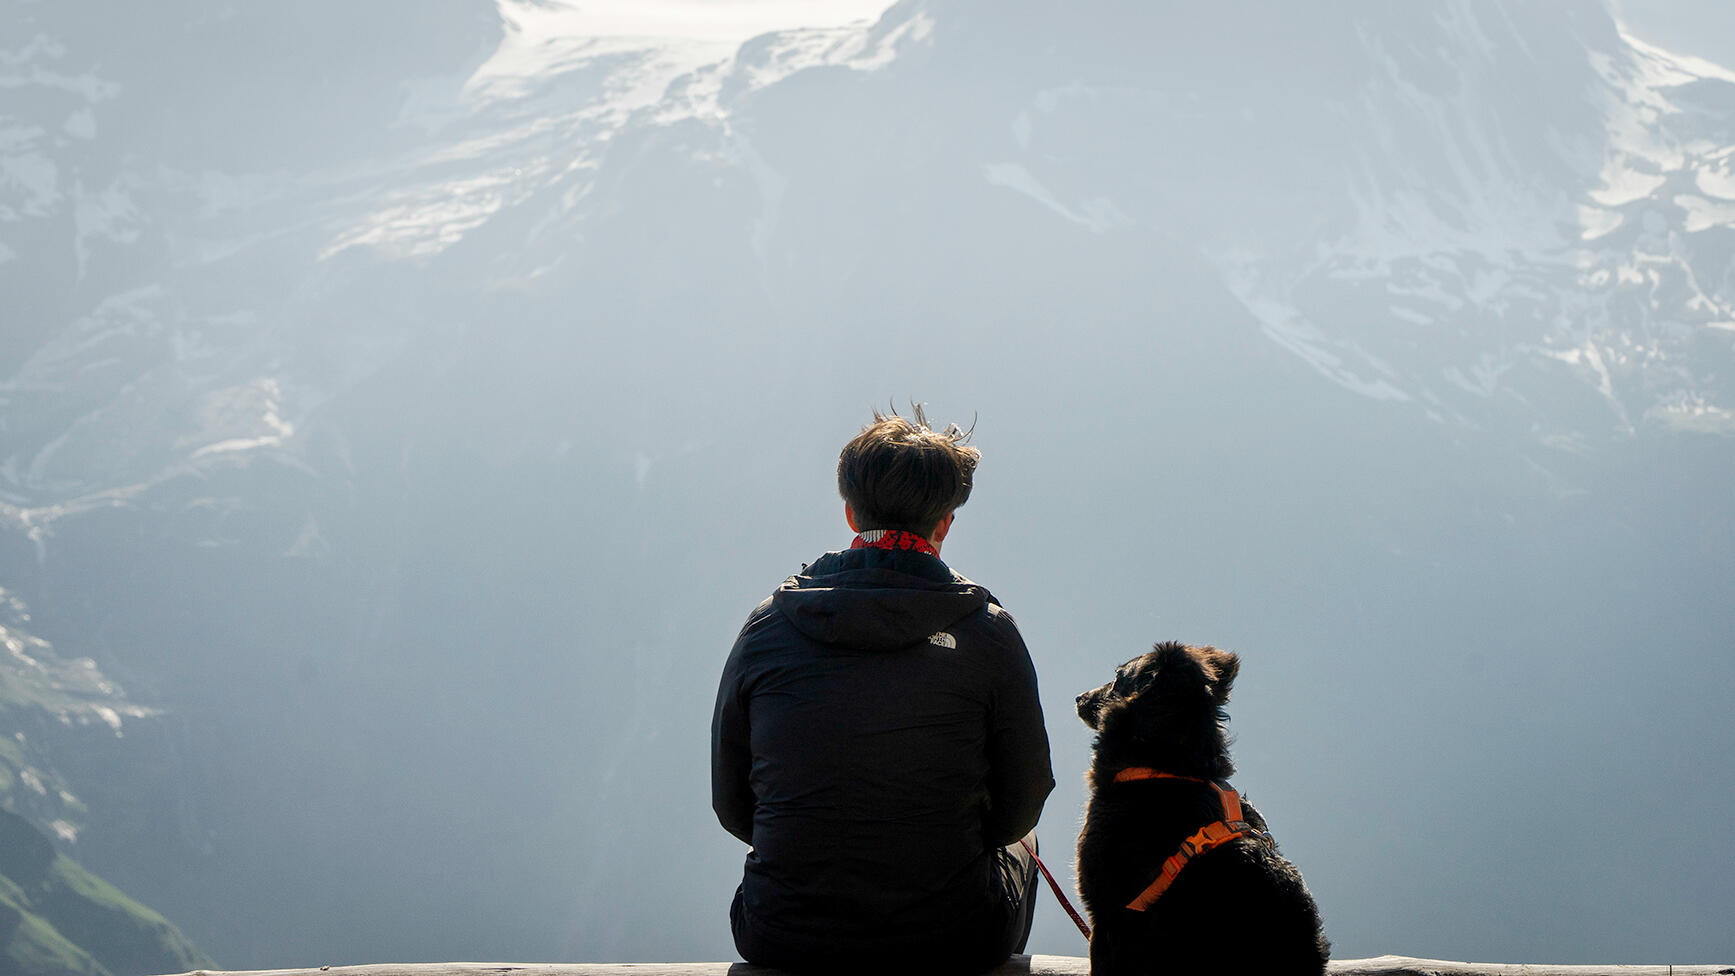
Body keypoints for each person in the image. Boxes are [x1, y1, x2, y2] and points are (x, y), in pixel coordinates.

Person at [711, 408, 1054, 973]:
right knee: (1027, 842)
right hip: (955, 935)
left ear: (850, 512)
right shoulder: (988, 633)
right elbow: (1023, 801)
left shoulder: (768, 628)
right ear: (945, 523)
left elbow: (733, 802)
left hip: (781, 930)